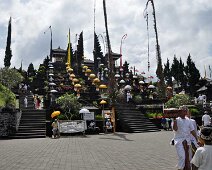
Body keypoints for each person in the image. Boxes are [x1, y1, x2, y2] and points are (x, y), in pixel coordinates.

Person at [172, 106, 198, 170]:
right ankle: (180, 168)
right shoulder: (176, 119)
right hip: (179, 141)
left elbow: (192, 130)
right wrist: (174, 120)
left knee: (188, 157)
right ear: (179, 112)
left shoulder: (188, 120)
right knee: (182, 157)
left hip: (187, 141)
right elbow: (175, 129)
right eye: (183, 110)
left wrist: (197, 139)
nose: (185, 111)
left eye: (186, 110)